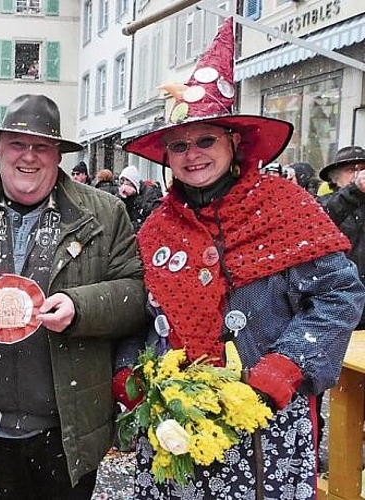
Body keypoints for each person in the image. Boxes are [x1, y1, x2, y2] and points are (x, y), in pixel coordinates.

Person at [121, 18, 364, 497]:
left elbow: (341, 294)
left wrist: (288, 364)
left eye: (205, 140)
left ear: (234, 142)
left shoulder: (285, 204)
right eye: (179, 145)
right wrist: (130, 371)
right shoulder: (156, 227)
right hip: (177, 424)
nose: (192, 155)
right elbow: (142, 314)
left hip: (266, 424)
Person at [0, 93, 147, 499]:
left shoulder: (104, 212)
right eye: (17, 144)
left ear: (58, 154)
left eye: (42, 146)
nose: (29, 156)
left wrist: (82, 308)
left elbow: (135, 293)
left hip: (70, 425)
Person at [318, 145, 365, 328]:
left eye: (362, 169)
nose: (359, 174)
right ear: (335, 178)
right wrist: (355, 190)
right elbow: (324, 219)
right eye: (350, 170)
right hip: (338, 304)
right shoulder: (322, 204)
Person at [117, 165, 162, 232]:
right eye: (122, 180)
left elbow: (152, 212)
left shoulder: (149, 192)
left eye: (127, 180)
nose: (124, 183)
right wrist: (124, 198)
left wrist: (136, 198)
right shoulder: (123, 196)